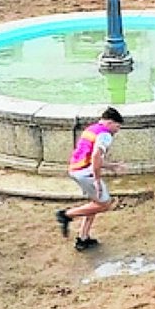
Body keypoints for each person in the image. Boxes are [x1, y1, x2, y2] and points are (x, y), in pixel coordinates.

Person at [55, 108, 125, 251]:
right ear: (110, 122)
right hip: (86, 173)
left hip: (76, 169)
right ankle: (66, 215)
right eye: (117, 127)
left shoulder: (91, 129)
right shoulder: (106, 135)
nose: (117, 130)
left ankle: (83, 238)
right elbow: (95, 157)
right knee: (105, 204)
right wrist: (97, 180)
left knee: (95, 203)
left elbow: (89, 155)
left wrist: (110, 166)